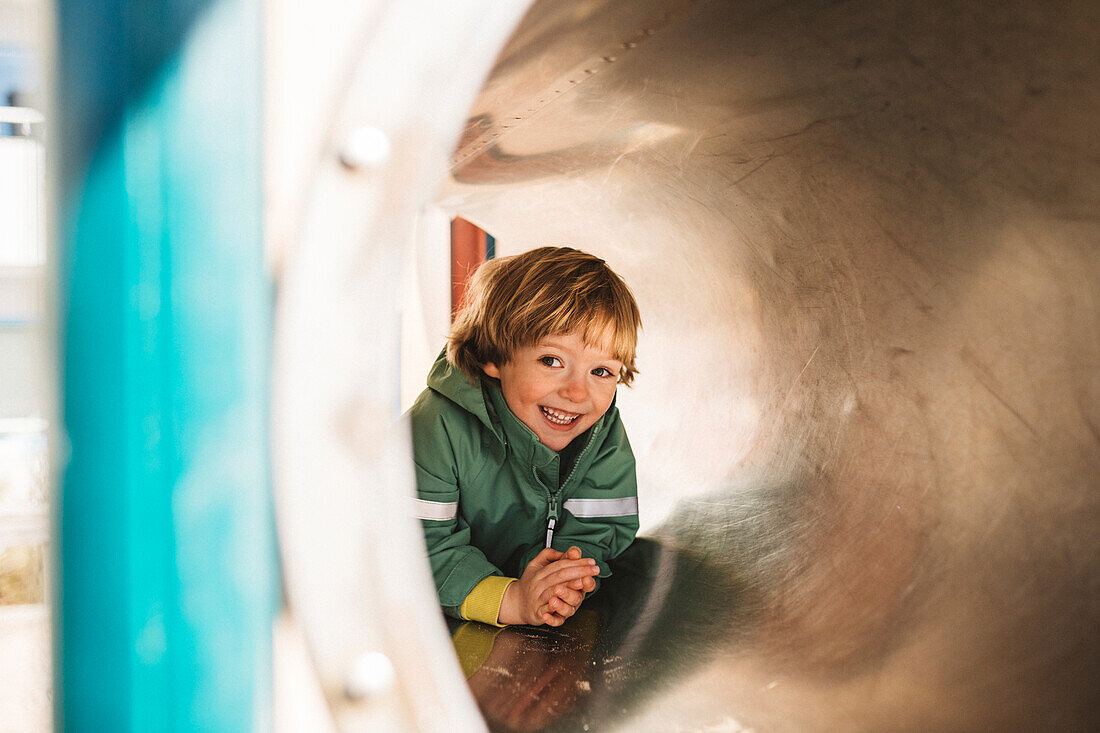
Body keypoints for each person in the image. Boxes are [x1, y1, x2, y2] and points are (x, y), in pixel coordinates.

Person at [409, 246, 642, 627]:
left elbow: (599, 529)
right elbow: (415, 548)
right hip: (427, 615)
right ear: (493, 356)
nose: (578, 393)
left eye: (601, 372)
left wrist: (561, 583)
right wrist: (511, 599)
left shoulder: (602, 432)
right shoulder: (436, 427)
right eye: (552, 361)